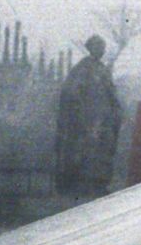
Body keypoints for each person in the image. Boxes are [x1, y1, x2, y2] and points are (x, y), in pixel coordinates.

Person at [53, 34, 124, 196]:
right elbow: (70, 92)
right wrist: (80, 112)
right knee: (84, 150)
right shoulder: (81, 69)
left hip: (103, 119)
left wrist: (116, 111)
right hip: (86, 119)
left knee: (102, 150)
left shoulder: (103, 69)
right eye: (98, 47)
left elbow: (111, 93)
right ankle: (80, 185)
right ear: (91, 48)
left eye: (103, 47)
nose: (102, 50)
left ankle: (99, 184)